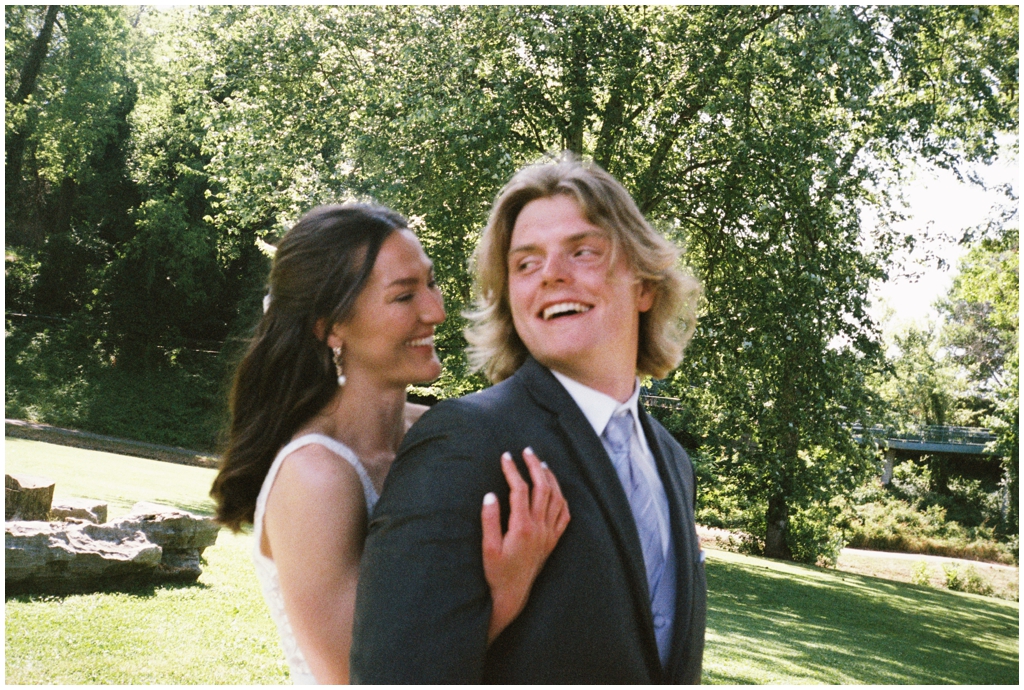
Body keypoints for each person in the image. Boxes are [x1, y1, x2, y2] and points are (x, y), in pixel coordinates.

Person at [351, 154, 706, 683]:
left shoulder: (673, 463)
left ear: (646, 285)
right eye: (525, 263)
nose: (552, 275)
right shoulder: (464, 443)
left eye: (582, 251)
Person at [210, 204, 570, 684]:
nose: (436, 311)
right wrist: (507, 593)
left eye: (431, 282)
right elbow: (362, 679)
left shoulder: (442, 434)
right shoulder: (315, 476)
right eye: (404, 297)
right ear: (330, 326)